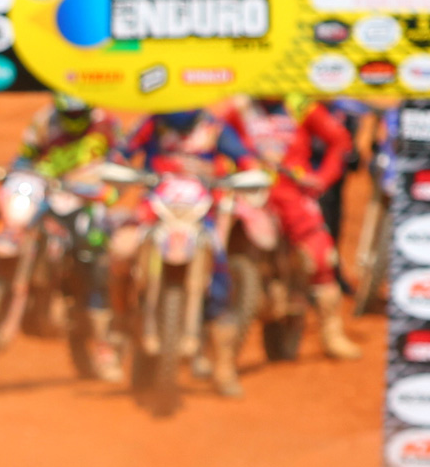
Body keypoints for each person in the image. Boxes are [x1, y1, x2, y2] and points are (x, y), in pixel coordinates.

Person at [113, 108, 262, 398]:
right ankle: (118, 324)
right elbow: (121, 153)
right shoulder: (152, 123)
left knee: (219, 276)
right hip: (154, 210)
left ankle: (223, 366)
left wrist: (249, 175)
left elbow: (246, 159)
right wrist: (120, 169)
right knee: (121, 250)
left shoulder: (214, 128)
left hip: (200, 213)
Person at [218, 93, 361, 360]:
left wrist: (322, 177)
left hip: (291, 192)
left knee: (320, 257)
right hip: (249, 193)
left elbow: (339, 140)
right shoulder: (240, 107)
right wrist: (227, 172)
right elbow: (215, 138)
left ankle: (332, 333)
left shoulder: (300, 105)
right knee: (215, 247)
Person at [14, 93, 120, 378]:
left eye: (79, 114)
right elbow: (24, 156)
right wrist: (17, 175)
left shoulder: (106, 124)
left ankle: (104, 345)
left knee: (96, 263)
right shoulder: (44, 120)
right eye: (68, 115)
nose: (74, 120)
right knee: (13, 226)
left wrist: (113, 188)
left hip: (88, 200)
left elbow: (120, 160)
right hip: (47, 195)